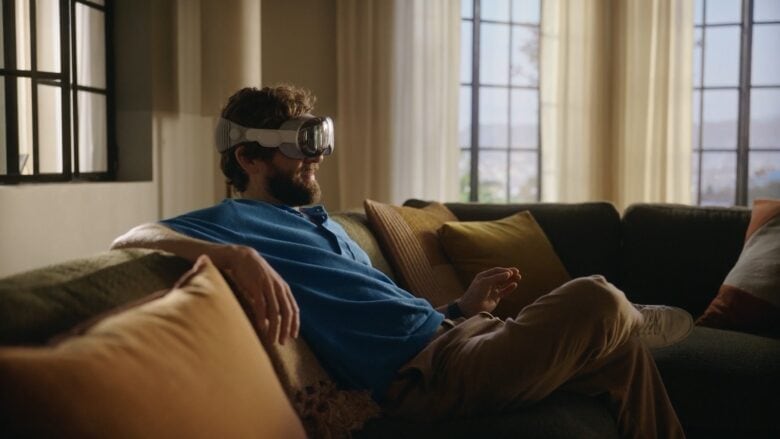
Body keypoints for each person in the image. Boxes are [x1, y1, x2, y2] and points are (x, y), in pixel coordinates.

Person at [112, 84, 692, 438]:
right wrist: (231, 254)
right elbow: (130, 238)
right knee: (594, 296)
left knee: (624, 357)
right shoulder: (234, 224)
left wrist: (462, 307)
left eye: (318, 144)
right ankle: (625, 310)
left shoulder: (324, 224)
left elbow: (382, 314)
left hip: (459, 335)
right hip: (430, 380)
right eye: (299, 148)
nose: (316, 161)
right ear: (248, 157)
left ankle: (624, 323)